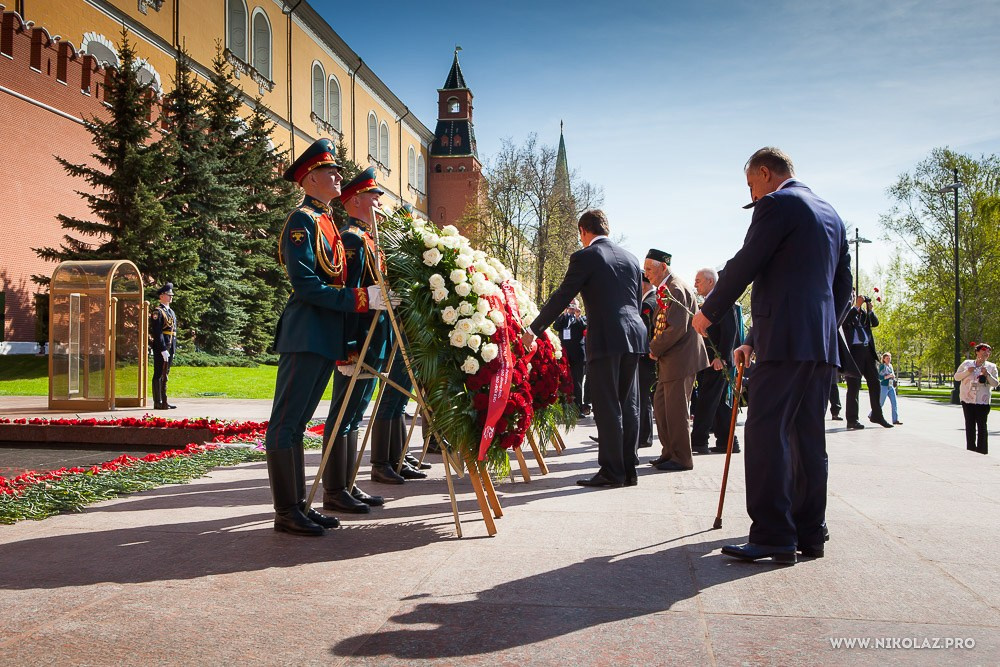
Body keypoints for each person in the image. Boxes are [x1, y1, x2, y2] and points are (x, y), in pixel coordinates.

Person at [692, 147, 852, 564]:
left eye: (751, 186)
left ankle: (773, 534)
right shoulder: (831, 213)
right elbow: (841, 291)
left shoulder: (778, 203)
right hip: (817, 345)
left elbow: (747, 263)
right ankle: (809, 532)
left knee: (764, 433)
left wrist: (708, 312)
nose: (753, 197)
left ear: (766, 173)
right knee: (807, 438)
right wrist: (771, 337)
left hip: (786, 342)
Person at [263, 138, 387, 537]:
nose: (338, 176)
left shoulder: (325, 221)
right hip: (306, 333)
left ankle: (299, 506)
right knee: (286, 423)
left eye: (337, 171)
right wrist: (360, 298)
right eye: (330, 172)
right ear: (310, 179)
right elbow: (306, 286)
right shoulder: (302, 220)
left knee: (298, 424)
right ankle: (287, 511)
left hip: (323, 335)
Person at [522, 209, 647, 488]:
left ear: (583, 231)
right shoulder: (631, 258)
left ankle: (612, 472)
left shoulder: (586, 256)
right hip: (635, 334)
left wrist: (533, 329)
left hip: (606, 335)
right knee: (629, 404)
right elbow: (636, 301)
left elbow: (562, 295)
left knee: (606, 405)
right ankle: (629, 469)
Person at [322, 166, 418, 515]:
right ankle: (334, 488)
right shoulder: (351, 239)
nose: (379, 202)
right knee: (343, 414)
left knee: (356, 414)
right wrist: (347, 345)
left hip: (375, 340)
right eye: (374, 196)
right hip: (358, 340)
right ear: (356, 200)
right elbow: (349, 295)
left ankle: (346, 484)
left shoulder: (369, 239)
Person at [644, 250, 709, 471]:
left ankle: (682, 458)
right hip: (671, 359)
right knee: (662, 407)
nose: (647, 275)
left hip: (680, 359)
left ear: (663, 267)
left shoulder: (675, 288)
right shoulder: (667, 287)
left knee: (676, 410)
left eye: (650, 270)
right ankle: (669, 452)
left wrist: (654, 348)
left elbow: (677, 328)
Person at [691, 268, 741, 455]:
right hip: (711, 359)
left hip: (717, 360)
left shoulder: (721, 300)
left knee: (706, 400)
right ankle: (727, 441)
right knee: (718, 402)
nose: (695, 284)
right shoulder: (710, 301)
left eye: (698, 281)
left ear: (710, 281)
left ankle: (698, 441)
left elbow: (730, 331)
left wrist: (722, 357)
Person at [843, 294, 893, 429]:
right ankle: (852, 420)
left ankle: (877, 415)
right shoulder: (846, 311)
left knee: (875, 384)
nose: (855, 298)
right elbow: (844, 321)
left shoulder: (863, 314)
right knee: (853, 387)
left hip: (868, 353)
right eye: (853, 296)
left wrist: (870, 310)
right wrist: (856, 306)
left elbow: (875, 323)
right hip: (854, 353)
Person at [954, 343, 998, 454]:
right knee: (969, 425)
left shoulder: (991, 366)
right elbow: (957, 377)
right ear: (977, 352)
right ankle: (971, 450)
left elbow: (995, 383)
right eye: (984, 351)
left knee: (982, 426)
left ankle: (982, 450)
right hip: (967, 399)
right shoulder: (967, 363)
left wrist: (987, 374)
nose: (986, 353)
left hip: (982, 401)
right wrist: (967, 371)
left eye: (988, 352)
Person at [553, 299, 590, 416]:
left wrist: (578, 317)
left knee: (577, 381)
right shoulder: (564, 318)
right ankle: (564, 408)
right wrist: (564, 313)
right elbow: (556, 326)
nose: (572, 308)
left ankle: (578, 408)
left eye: (574, 306)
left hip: (578, 355)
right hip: (565, 354)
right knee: (564, 381)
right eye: (570, 305)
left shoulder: (581, 319)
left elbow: (584, 327)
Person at [149, 283, 177, 410]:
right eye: (168, 295)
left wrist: (172, 349)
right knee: (159, 373)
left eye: (171, 295)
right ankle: (158, 401)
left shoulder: (171, 311)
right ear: (161, 296)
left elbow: (173, 332)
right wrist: (163, 349)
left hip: (170, 346)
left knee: (166, 373)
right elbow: (157, 332)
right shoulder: (157, 312)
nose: (171, 297)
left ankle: (164, 399)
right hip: (162, 347)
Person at [637, 277, 658, 448]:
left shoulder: (648, 303)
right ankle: (645, 435)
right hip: (649, 356)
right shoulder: (654, 299)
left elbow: (645, 332)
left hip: (645, 357)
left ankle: (644, 436)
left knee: (642, 396)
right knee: (644, 397)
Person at [877, 352, 902, 425]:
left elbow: (892, 375)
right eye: (887, 358)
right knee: (881, 403)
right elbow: (879, 377)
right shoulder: (882, 366)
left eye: (889, 358)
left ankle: (895, 420)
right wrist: (887, 377)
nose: (889, 359)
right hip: (884, 386)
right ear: (884, 359)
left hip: (890, 386)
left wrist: (893, 378)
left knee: (894, 403)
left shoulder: (890, 366)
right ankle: (872, 414)